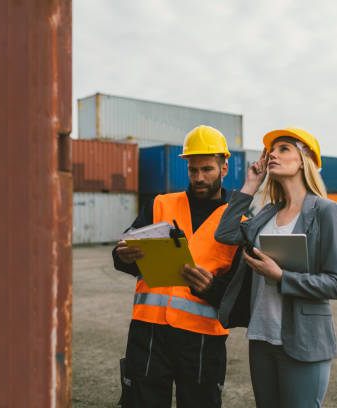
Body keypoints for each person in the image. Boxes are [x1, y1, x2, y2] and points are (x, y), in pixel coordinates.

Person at [181, 127, 337, 408]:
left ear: (304, 159)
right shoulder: (268, 212)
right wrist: (250, 186)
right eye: (271, 150)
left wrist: (281, 276)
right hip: (261, 338)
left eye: (284, 148)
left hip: (303, 340)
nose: (273, 154)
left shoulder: (326, 211)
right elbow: (225, 233)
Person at [113, 125, 242, 408]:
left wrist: (211, 288)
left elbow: (241, 296)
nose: (199, 178)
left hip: (202, 339)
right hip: (149, 332)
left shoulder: (239, 221)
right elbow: (123, 253)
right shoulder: (160, 204)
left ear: (224, 167)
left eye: (207, 169)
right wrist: (122, 255)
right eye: (193, 170)